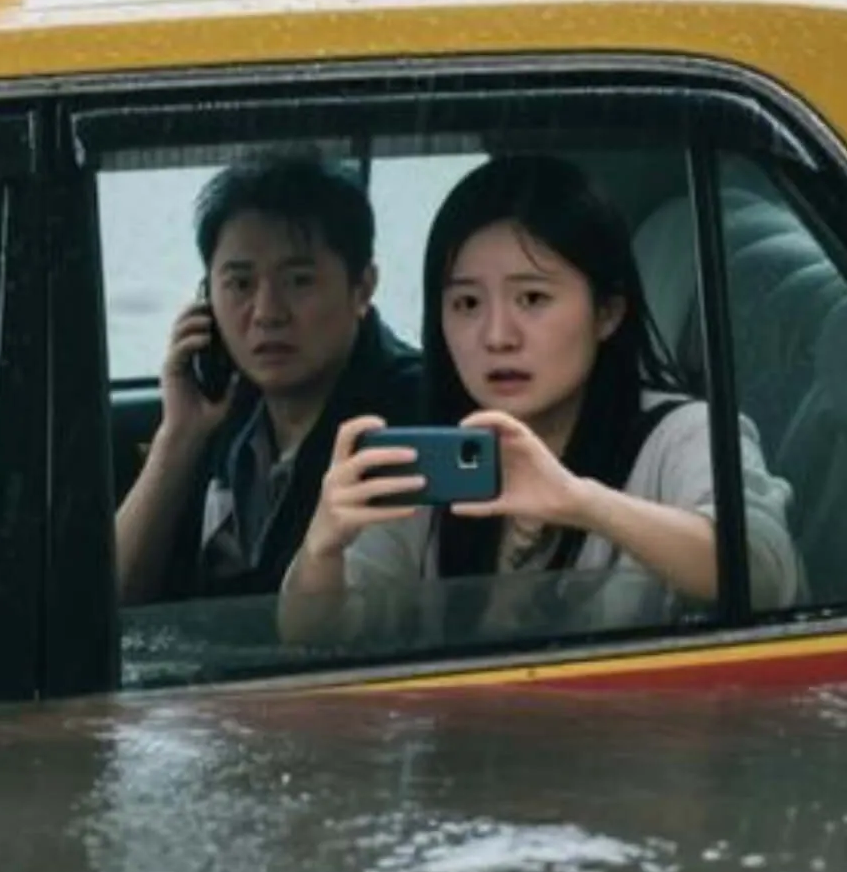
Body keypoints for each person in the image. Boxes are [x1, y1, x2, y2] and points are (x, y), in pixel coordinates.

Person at [281, 155, 799, 647]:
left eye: (532, 299)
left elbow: (765, 574)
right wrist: (322, 549)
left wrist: (579, 502)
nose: (497, 336)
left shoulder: (679, 434)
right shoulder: (437, 456)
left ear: (607, 313)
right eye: (466, 303)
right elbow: (318, 636)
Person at [116, 151, 419, 606]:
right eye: (239, 285)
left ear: (363, 288)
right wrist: (178, 436)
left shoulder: (407, 410)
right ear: (206, 298)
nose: (266, 314)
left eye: (298, 281)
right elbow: (105, 608)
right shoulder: (228, 407)